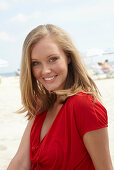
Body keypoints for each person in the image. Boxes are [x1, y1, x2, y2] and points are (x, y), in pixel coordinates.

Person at [7, 24, 113, 170]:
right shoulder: (41, 103)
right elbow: (20, 162)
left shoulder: (85, 106)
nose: (45, 71)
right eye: (35, 63)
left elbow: (105, 167)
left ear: (68, 57)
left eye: (52, 59)